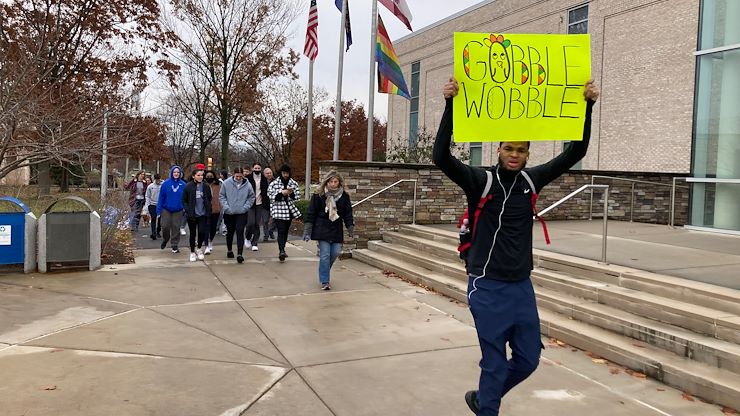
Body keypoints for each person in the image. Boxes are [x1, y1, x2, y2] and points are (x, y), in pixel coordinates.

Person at [433, 77, 600, 416]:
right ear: (498, 149)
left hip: (522, 285)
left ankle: (483, 398)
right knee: (494, 365)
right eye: (509, 148)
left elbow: (576, 152)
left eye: (521, 150)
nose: (514, 155)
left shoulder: (531, 179)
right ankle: (488, 407)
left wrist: (587, 105)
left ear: (527, 153)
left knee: (528, 360)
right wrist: (450, 104)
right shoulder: (480, 180)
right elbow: (441, 156)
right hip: (487, 284)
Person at [303, 171, 354, 290]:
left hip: (336, 228)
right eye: (331, 181)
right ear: (327, 182)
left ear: (339, 183)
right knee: (325, 255)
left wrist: (350, 226)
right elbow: (311, 213)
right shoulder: (319, 195)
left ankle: (323, 269)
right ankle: (325, 280)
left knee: (335, 252)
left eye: (335, 182)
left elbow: (348, 213)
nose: (333, 184)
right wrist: (307, 231)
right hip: (322, 228)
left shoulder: (344, 196)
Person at [219, 167, 255, 264]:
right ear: (233, 175)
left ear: (243, 175)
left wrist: (245, 207)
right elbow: (222, 196)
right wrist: (226, 208)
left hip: (242, 212)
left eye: (240, 176)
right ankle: (229, 249)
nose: (239, 178)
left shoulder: (248, 185)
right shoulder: (226, 183)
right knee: (230, 232)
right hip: (229, 212)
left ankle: (240, 254)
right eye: (237, 176)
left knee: (240, 231)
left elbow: (251, 197)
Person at [268, 164, 301, 262]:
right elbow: (270, 196)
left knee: (285, 230)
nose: (285, 175)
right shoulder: (274, 184)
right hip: (278, 210)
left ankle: (283, 248)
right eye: (284, 173)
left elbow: (297, 197)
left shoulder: (293, 183)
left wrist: (291, 194)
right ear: (281, 173)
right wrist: (281, 193)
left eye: (287, 173)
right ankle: (281, 250)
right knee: (281, 230)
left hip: (289, 210)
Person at [182, 168, 212, 262]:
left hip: (203, 213)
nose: (200, 177)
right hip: (192, 214)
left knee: (202, 232)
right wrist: (187, 210)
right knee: (193, 233)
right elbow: (184, 200)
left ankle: (199, 248)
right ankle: (192, 252)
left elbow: (209, 198)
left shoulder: (206, 186)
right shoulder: (188, 186)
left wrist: (208, 207)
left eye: (202, 175)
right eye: (198, 175)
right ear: (193, 176)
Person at [157, 165, 186, 253]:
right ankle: (165, 239)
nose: (176, 174)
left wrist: (185, 208)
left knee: (176, 228)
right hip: (166, 209)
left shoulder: (183, 185)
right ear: (171, 173)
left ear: (180, 174)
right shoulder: (166, 184)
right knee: (165, 226)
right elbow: (161, 197)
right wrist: (158, 210)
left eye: (178, 172)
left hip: (178, 210)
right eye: (174, 172)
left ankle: (174, 245)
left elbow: (186, 198)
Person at [245, 162, 269, 251]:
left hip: (260, 204)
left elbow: (266, 192)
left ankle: (255, 242)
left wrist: (266, 203)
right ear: (252, 169)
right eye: (256, 168)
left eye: (259, 168)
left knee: (257, 224)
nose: (257, 170)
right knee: (250, 223)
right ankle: (247, 237)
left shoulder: (264, 179)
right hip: (250, 203)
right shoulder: (247, 179)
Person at [204, 170, 221, 255]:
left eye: (211, 176)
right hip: (205, 210)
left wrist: (220, 206)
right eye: (208, 176)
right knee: (206, 227)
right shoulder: (203, 185)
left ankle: (211, 240)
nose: (209, 178)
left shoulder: (218, 185)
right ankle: (206, 245)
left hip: (215, 209)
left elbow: (221, 196)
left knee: (213, 228)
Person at [145, 173, 163, 240]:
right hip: (152, 204)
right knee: (153, 218)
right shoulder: (150, 186)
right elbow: (147, 196)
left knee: (160, 219)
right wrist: (148, 204)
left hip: (160, 205)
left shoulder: (162, 186)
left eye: (159, 179)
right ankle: (153, 233)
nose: (158, 181)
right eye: (157, 180)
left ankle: (158, 231)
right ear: (154, 179)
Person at [263, 167, 276, 240]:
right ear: (264, 174)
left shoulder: (276, 181)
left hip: (274, 203)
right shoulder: (262, 182)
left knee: (275, 220)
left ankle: (271, 231)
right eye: (267, 173)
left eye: (270, 173)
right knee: (265, 220)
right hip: (265, 204)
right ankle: (266, 235)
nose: (269, 174)